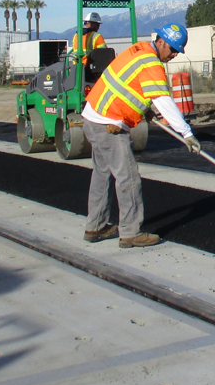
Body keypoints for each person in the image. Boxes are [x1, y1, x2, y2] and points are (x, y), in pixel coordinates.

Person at [81, 23, 201, 248]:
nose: (174, 55)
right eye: (173, 49)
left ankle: (95, 226)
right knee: (128, 177)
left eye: (177, 51)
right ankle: (130, 232)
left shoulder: (139, 49)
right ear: (161, 42)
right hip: (109, 124)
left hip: (92, 117)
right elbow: (163, 100)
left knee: (101, 174)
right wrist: (186, 132)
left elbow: (129, 86)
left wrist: (143, 109)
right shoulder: (152, 63)